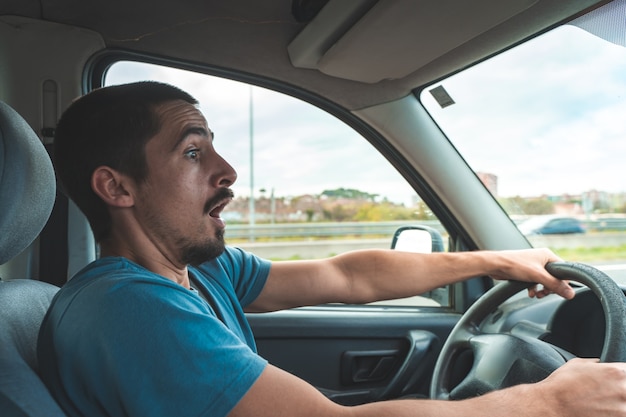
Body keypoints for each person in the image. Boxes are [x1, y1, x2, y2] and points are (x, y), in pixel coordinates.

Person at [38, 81, 626, 417]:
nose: (227, 170)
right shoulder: (133, 310)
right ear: (117, 187)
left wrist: (493, 261)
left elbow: (349, 277)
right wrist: (550, 402)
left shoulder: (196, 270)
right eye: (193, 153)